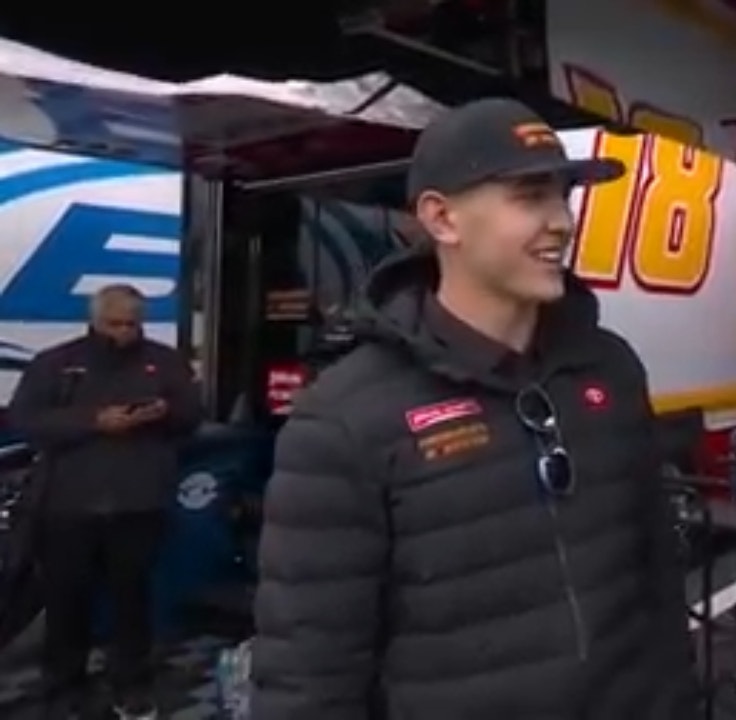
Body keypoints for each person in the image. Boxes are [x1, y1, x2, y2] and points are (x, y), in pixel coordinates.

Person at [251, 98, 698, 720]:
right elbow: (308, 678)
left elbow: (656, 581)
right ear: (442, 218)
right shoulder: (344, 419)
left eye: (562, 196)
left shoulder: (610, 369)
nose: (562, 222)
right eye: (529, 196)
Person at [9, 284, 202, 719]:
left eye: (133, 323)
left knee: (133, 602)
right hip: (68, 507)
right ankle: (62, 690)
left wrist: (162, 413)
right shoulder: (57, 364)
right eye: (116, 323)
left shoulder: (164, 362)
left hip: (139, 504)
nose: (125, 332)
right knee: (66, 604)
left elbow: (192, 413)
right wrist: (94, 422)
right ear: (96, 321)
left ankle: (131, 686)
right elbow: (27, 419)